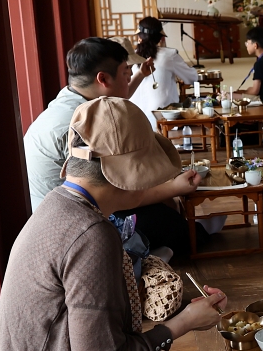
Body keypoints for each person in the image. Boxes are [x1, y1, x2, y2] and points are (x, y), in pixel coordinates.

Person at [0, 97, 257, 351]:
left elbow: (97, 337)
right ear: (127, 175)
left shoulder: (59, 206)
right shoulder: (89, 235)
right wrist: (181, 324)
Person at [23, 37, 206, 256]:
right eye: (126, 72)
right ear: (103, 78)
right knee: (173, 225)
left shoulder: (71, 99)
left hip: (61, 210)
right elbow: (115, 190)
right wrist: (174, 188)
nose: (129, 78)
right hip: (68, 228)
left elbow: (118, 95)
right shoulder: (80, 125)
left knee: (166, 207)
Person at [129, 16, 198, 131]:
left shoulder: (131, 57)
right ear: (161, 38)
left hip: (133, 122)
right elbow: (192, 77)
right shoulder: (169, 55)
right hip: (162, 121)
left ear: (139, 37)